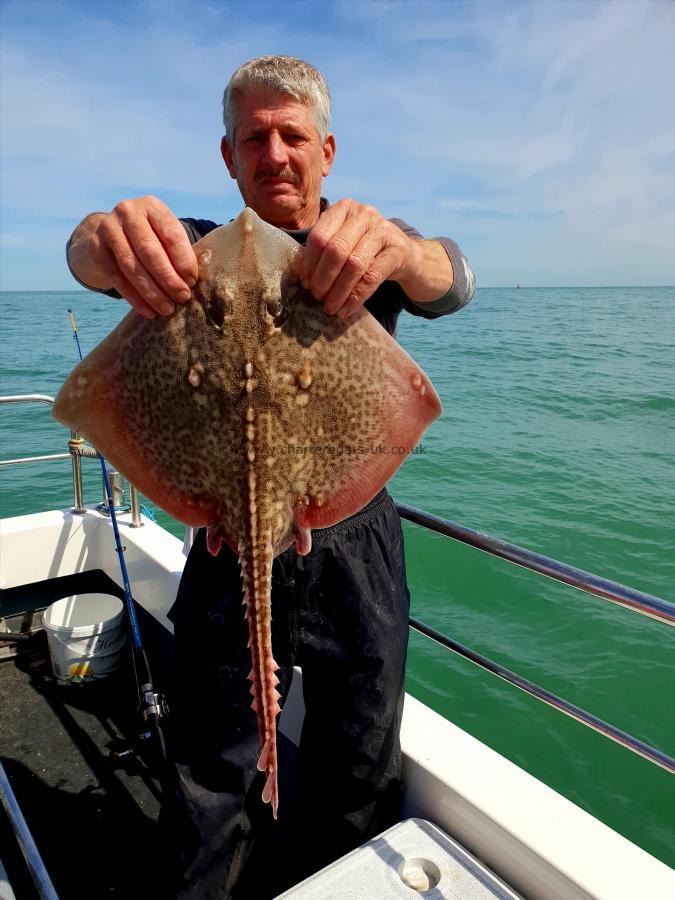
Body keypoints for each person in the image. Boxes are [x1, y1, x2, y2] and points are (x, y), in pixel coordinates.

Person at [66, 55, 475, 899]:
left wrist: (400, 251)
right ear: (229, 157)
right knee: (210, 770)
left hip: (353, 539)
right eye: (256, 137)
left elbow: (451, 280)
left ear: (327, 150)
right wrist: (105, 240)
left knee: (357, 757)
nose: (276, 153)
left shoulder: (362, 244)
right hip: (221, 534)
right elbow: (87, 256)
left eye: (293, 136)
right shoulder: (187, 254)